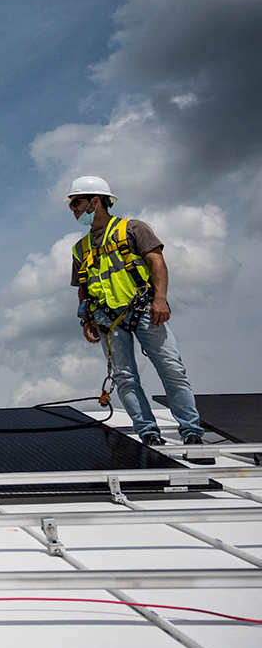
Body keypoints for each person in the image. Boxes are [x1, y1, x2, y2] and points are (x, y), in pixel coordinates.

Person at [66, 176, 209, 457]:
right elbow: (83, 287)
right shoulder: (80, 248)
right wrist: (86, 320)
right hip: (107, 320)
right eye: (71, 204)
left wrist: (160, 300)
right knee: (125, 378)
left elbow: (157, 261)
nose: (72, 209)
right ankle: (148, 433)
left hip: (144, 310)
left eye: (76, 202)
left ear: (96, 201)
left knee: (171, 370)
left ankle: (191, 431)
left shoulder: (132, 228)